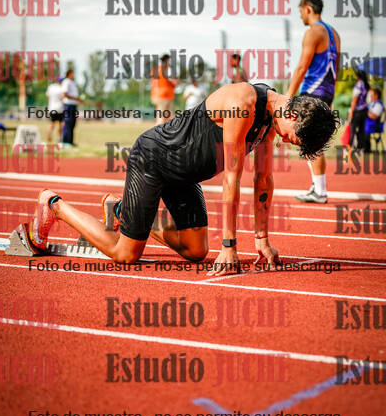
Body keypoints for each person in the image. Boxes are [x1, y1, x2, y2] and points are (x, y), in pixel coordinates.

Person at [24, 82, 338, 277]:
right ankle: (54, 205)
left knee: (195, 251)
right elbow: (232, 179)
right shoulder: (242, 104)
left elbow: (263, 180)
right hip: (153, 160)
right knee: (125, 255)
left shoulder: (273, 117)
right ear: (292, 115)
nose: (288, 142)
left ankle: (120, 210)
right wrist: (229, 247)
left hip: (185, 176)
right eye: (294, 137)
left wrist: (262, 241)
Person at [287, 0, 340, 203]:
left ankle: (320, 190)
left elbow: (302, 67)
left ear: (308, 9)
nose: (300, 16)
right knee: (311, 139)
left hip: (312, 92)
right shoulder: (334, 33)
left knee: (310, 140)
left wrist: (288, 97)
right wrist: (330, 97)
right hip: (326, 92)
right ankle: (318, 186)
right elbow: (336, 69)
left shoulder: (313, 32)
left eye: (301, 11)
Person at [150, 54, 179, 125]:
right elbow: (175, 82)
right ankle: (157, 132)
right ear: (167, 60)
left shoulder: (155, 69)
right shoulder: (167, 69)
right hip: (164, 96)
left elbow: (152, 81)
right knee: (162, 119)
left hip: (155, 95)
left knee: (168, 117)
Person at [348, 69, 370, 151]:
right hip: (365, 110)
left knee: (353, 130)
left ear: (358, 76)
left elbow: (355, 100)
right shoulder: (366, 85)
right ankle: (361, 148)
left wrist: (351, 112)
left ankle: (349, 147)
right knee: (361, 130)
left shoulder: (358, 85)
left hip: (357, 111)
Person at [61, 69, 80, 147]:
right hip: (68, 105)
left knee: (73, 123)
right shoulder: (66, 82)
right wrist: (75, 98)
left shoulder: (72, 82)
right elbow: (64, 94)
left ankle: (70, 141)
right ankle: (65, 141)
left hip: (73, 105)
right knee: (68, 122)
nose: (74, 75)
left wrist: (77, 100)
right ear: (69, 74)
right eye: (73, 74)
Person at [364, 87, 384, 152]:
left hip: (375, 125)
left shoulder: (378, 105)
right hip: (370, 124)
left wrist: (365, 111)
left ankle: (366, 148)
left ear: (376, 96)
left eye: (372, 95)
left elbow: (374, 117)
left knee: (363, 126)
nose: (370, 96)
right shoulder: (372, 103)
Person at [46, 77, 64, 143]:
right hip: (60, 108)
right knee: (61, 124)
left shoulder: (51, 87)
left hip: (51, 108)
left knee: (52, 124)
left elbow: (47, 97)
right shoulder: (62, 88)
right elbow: (63, 98)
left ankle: (49, 137)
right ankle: (59, 138)